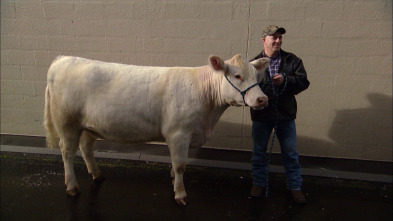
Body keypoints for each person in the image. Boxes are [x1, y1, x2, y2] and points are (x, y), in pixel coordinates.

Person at [249, 25, 310, 204]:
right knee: (259, 153)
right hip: (261, 116)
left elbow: (303, 82)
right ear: (264, 40)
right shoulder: (253, 64)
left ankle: (295, 187)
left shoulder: (293, 60)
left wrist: (286, 79)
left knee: (290, 153)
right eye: (273, 37)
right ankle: (258, 184)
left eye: (280, 37)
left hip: (285, 116)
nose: (278, 40)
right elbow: (247, 88)